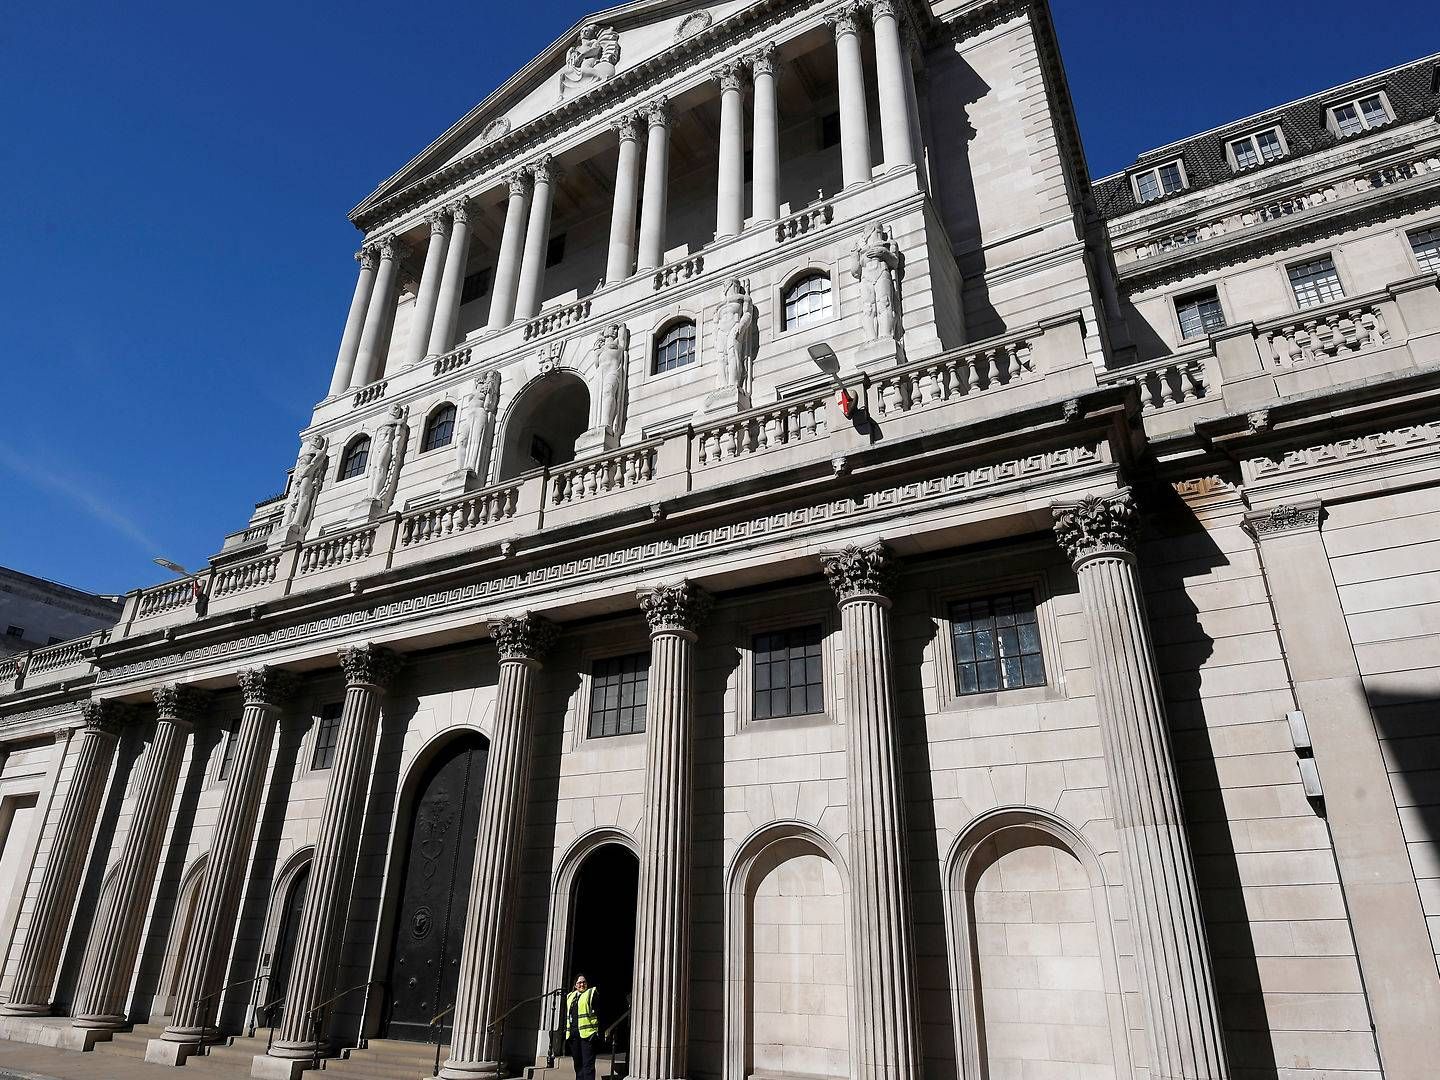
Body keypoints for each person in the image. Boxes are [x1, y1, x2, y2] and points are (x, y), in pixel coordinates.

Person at [565, 973, 600, 1080]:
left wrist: (596, 1032)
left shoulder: (591, 993)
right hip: (574, 1035)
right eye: (579, 982)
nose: (582, 984)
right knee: (578, 1066)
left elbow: (599, 1013)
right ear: (575, 985)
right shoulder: (570, 996)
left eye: (584, 982)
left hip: (587, 1035)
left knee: (588, 1066)